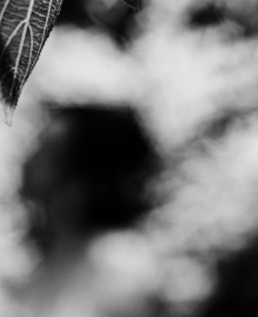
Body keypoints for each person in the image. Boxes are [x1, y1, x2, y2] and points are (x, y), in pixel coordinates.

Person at [15, 104, 160, 317]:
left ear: (81, 182)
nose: (28, 161)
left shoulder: (120, 268)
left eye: (46, 153)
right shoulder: (54, 259)